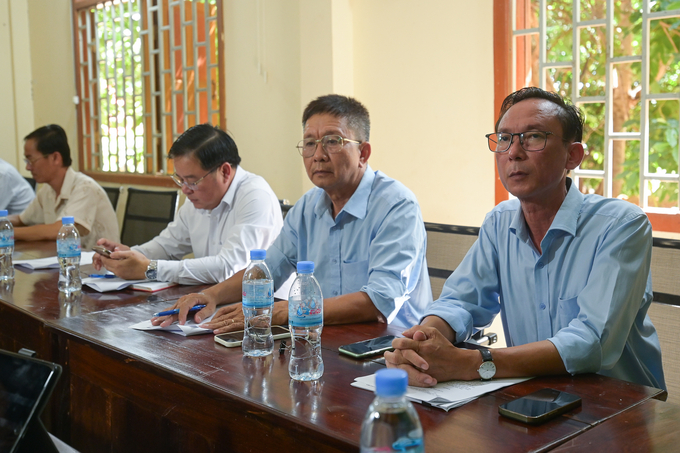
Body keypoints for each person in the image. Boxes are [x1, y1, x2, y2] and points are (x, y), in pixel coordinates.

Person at [386, 87, 665, 391]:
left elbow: (591, 342)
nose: (513, 152)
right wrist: (424, 342)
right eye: (504, 139)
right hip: (537, 397)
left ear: (572, 156)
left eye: (533, 137)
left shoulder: (621, 225)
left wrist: (473, 364)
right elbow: (461, 302)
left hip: (620, 409)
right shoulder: (499, 222)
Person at [152, 94, 432, 332]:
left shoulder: (396, 206)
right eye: (309, 143)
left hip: (391, 348)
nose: (318, 154)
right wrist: (208, 295)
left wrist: (286, 311)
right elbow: (267, 270)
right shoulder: (308, 207)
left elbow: (378, 301)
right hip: (320, 338)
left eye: (333, 141)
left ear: (364, 153)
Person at [93, 124, 284, 286]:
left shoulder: (255, 197)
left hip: (264, 313)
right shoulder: (198, 200)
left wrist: (150, 269)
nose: (185, 189)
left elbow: (228, 269)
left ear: (225, 171)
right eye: (180, 180)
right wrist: (125, 256)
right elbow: (167, 247)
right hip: (213, 302)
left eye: (192, 181)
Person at [8, 125, 119, 249]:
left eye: (31, 160)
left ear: (55, 158)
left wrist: (6, 232)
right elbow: (22, 219)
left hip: (100, 265)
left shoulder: (85, 188)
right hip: (66, 262)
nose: (28, 167)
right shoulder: (47, 191)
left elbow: (59, 230)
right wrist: (3, 222)